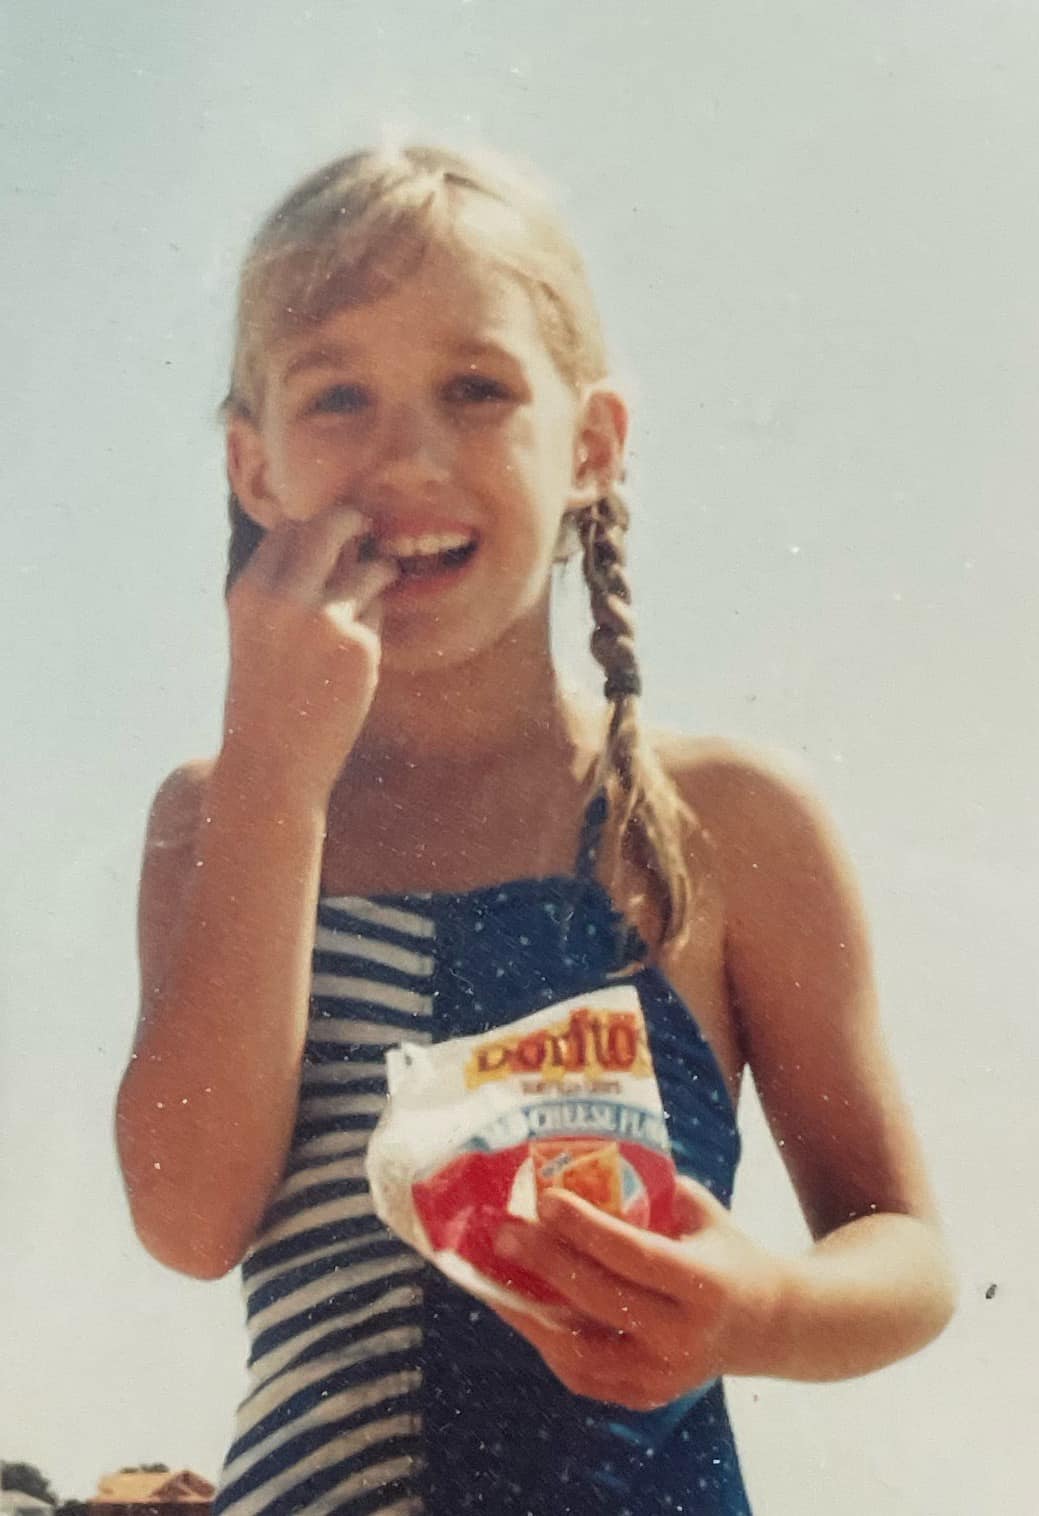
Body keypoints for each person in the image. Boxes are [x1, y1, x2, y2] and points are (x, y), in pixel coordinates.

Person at [115, 144, 957, 1516]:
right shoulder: (217, 812)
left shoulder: (723, 818)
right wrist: (274, 774)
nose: (409, 455)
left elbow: (905, 1252)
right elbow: (188, 1222)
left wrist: (763, 1307)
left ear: (594, 444)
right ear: (252, 468)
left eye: (477, 388)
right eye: (339, 394)